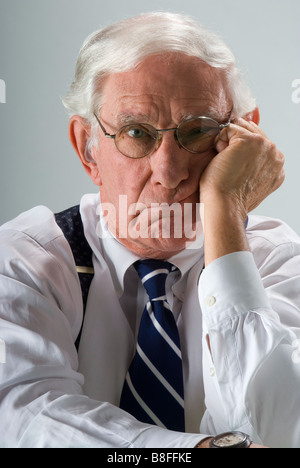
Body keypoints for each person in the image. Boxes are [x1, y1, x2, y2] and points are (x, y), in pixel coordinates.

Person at [0, 11, 300, 449]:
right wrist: (192, 453)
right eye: (136, 133)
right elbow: (25, 418)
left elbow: (283, 430)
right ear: (88, 150)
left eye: (197, 131)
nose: (170, 170)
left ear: (243, 138)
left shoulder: (278, 260)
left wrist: (224, 209)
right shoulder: (25, 260)